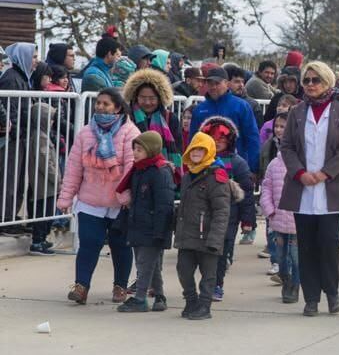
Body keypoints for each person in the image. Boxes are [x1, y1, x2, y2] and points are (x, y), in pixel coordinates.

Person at [278, 62, 339, 316]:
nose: (310, 85)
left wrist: (325, 173)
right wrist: (299, 173)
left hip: (330, 187)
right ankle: (310, 298)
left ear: (327, 81)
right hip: (303, 188)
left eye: (315, 80)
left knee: (328, 242)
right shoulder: (298, 111)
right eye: (307, 80)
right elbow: (287, 145)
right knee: (307, 246)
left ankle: (332, 293)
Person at [57, 88, 140, 305]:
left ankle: (120, 286)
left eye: (106, 104)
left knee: (121, 246)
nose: (100, 107)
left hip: (119, 203)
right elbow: (74, 168)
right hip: (90, 201)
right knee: (89, 243)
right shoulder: (86, 133)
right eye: (98, 103)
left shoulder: (130, 133)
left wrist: (127, 197)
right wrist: (66, 198)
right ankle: (81, 286)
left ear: (118, 107)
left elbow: (133, 168)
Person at [115, 132, 175, 313]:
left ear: (151, 150)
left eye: (140, 149)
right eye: (134, 149)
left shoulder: (160, 172)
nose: (135, 152)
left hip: (153, 227)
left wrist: (159, 231)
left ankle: (140, 298)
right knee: (152, 263)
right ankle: (160, 296)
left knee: (144, 263)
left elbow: (164, 205)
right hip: (139, 225)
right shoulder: (139, 170)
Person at [198, 116, 256, 303]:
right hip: (203, 216)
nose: (218, 141)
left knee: (220, 253)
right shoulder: (199, 161)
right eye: (213, 137)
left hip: (229, 217)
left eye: (222, 138)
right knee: (204, 252)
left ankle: (217, 284)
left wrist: (248, 221)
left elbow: (247, 194)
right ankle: (207, 281)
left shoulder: (238, 164)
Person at [175, 132, 232, 320]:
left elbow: (222, 211)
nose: (197, 152)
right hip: (187, 235)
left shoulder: (217, 177)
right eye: (194, 149)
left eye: (202, 149)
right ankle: (191, 300)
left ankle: (205, 305)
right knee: (183, 270)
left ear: (210, 151)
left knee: (208, 275)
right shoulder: (187, 176)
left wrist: (216, 239)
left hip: (208, 237)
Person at [190, 65, 261, 172]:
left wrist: (253, 168)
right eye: (210, 83)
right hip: (205, 167)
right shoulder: (199, 109)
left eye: (217, 83)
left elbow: (252, 138)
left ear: (227, 84)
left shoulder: (241, 106)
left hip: (236, 167)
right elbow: (193, 140)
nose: (213, 87)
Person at [260, 119, 300, 305]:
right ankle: (285, 279)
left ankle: (294, 286)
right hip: (278, 221)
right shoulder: (274, 165)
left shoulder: (302, 166)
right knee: (281, 258)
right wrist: (269, 210)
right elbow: (266, 188)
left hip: (297, 222)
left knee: (296, 258)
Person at [123, 68, 183, 169]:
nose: (147, 102)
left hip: (163, 171)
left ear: (160, 98)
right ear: (135, 97)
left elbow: (178, 148)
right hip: (133, 169)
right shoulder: (127, 117)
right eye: (143, 97)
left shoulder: (170, 118)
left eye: (152, 98)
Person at [26, 99, 60, 255]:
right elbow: (45, 163)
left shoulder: (43, 135)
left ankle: (42, 238)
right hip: (44, 184)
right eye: (50, 117)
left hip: (48, 185)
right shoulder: (40, 137)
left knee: (48, 212)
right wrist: (58, 179)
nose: (53, 121)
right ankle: (37, 241)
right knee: (43, 212)